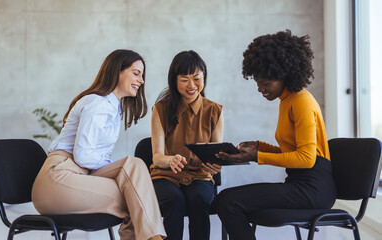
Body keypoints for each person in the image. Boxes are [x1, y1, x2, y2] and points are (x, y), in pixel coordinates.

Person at [31, 49, 166, 240]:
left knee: (134, 177)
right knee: (135, 194)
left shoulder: (112, 107)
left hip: (80, 177)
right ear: (117, 71)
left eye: (142, 75)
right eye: (136, 73)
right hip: (59, 180)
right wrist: (118, 175)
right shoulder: (97, 103)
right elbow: (83, 156)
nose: (141, 80)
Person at [214, 30, 336, 240]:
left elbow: (307, 159)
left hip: (314, 189)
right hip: (300, 184)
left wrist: (256, 157)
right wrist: (260, 147)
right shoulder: (287, 100)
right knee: (228, 200)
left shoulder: (301, 101)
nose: (260, 89)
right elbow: (292, 151)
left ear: (284, 75)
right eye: (257, 83)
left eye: (266, 83)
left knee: (228, 201)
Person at [150, 50, 224, 240]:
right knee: (174, 200)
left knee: (198, 199)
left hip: (200, 176)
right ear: (174, 81)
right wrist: (170, 160)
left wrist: (217, 164)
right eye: (184, 79)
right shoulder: (160, 109)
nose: (192, 85)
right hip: (166, 176)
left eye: (197, 78)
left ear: (204, 78)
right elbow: (157, 157)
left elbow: (218, 154)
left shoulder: (214, 110)